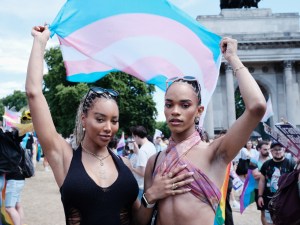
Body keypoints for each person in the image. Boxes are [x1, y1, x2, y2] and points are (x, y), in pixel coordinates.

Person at [26, 25, 194, 225]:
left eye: (114, 121)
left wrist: (151, 196)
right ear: (83, 119)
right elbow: (34, 92)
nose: (108, 127)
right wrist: (40, 42)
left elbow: (139, 222)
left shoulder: (124, 165)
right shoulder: (64, 158)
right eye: (100, 119)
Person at [142, 37, 267, 225]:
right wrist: (150, 196)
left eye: (185, 105)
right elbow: (139, 222)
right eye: (169, 104)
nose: (175, 111)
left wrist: (232, 58)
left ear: (199, 111)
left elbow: (256, 107)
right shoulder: (155, 161)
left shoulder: (215, 152)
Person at [257, 142, 296, 224]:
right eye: (275, 150)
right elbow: (262, 181)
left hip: (286, 199)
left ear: (284, 150)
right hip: (269, 199)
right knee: (270, 221)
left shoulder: (291, 163)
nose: (278, 152)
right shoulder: (266, 164)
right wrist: (260, 196)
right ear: (271, 151)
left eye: (280, 149)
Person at [129, 126, 157, 200]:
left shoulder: (143, 150)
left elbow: (143, 172)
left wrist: (131, 168)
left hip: (141, 186)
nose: (134, 139)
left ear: (137, 136)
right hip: (149, 184)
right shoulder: (151, 145)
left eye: (133, 137)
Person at [251, 140, 271, 225]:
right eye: (265, 149)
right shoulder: (254, 160)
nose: (267, 151)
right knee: (263, 212)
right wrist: (269, 173)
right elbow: (255, 175)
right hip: (259, 190)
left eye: (268, 149)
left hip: (272, 189)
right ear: (259, 149)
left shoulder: (271, 159)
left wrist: (261, 173)